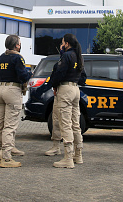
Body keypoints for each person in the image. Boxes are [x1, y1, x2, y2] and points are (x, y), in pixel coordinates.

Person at [0, 35, 32, 168]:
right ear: (17, 45)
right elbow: (22, 76)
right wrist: (29, 73)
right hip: (13, 91)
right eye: (19, 43)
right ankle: (7, 158)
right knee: (10, 125)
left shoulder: (1, 58)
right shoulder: (18, 58)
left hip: (1, 89)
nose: (20, 45)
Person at [46, 33, 86, 169]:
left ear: (67, 44)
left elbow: (59, 74)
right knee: (76, 123)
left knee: (65, 123)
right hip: (75, 90)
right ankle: (78, 155)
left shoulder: (67, 56)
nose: (61, 45)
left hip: (65, 90)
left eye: (63, 42)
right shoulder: (79, 56)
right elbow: (83, 77)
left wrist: (53, 84)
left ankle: (68, 158)